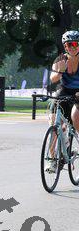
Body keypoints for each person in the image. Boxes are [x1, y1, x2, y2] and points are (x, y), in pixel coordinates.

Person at [48, 30, 79, 171]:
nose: (72, 47)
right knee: (54, 124)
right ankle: (52, 160)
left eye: (75, 44)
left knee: (75, 116)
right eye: (69, 44)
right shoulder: (60, 59)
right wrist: (60, 71)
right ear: (65, 46)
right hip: (64, 91)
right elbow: (53, 79)